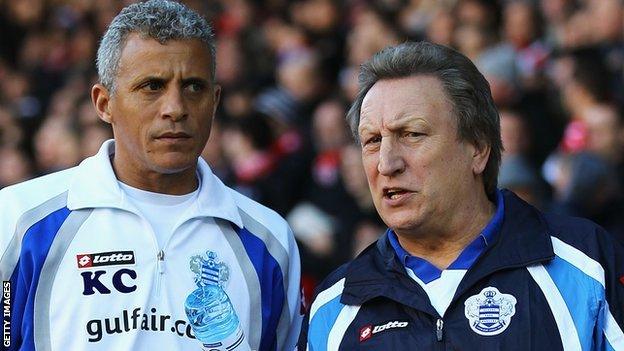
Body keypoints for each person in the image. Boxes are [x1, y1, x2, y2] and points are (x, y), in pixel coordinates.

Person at [0, 1, 301, 350]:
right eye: (152, 86)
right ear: (103, 103)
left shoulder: (270, 240)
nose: (175, 108)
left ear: (215, 101)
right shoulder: (17, 220)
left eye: (193, 87)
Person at [299, 41, 624, 350]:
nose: (386, 163)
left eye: (411, 134)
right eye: (372, 141)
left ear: (479, 148)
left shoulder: (587, 267)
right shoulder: (333, 307)